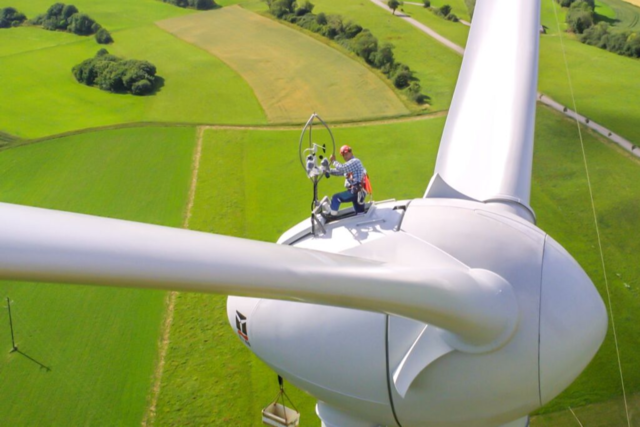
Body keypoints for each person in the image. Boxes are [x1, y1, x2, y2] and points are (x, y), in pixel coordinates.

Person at [328, 145, 366, 216]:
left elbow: (342, 168)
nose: (345, 156)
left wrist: (333, 161)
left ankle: (332, 214)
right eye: (343, 155)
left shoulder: (355, 161)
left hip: (354, 191)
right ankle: (361, 215)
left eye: (346, 154)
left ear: (351, 152)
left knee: (336, 197)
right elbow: (340, 172)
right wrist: (328, 170)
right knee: (360, 213)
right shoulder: (349, 165)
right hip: (358, 192)